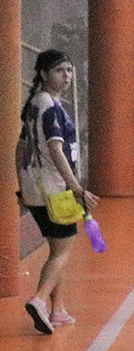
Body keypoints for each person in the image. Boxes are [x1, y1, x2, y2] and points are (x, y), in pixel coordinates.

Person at [15, 49, 98, 334]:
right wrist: (77, 188)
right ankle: (39, 300)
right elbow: (55, 149)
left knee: (56, 249)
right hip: (55, 191)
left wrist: (22, 185)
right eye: (60, 70)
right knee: (63, 250)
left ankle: (58, 309)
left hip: (35, 190)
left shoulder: (35, 105)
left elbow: (19, 149)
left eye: (69, 70)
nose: (66, 76)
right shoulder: (49, 107)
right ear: (43, 74)